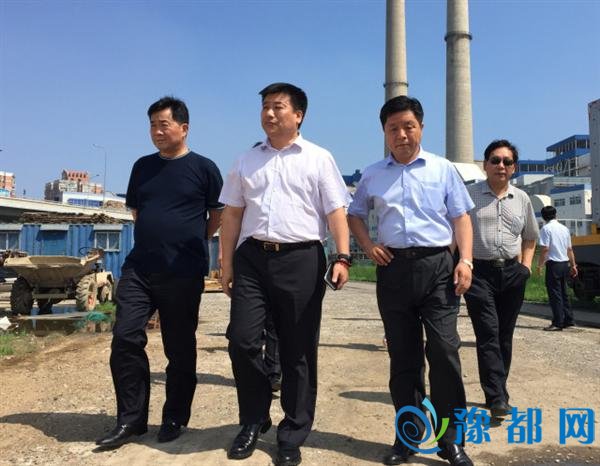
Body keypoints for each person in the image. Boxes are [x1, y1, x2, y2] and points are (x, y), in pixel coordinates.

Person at [219, 82, 350, 466]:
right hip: (252, 259)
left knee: (298, 350)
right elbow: (232, 215)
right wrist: (226, 263)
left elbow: (336, 211)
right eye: (265, 106)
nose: (269, 113)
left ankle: (292, 432)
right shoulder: (246, 160)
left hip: (301, 259)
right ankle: (254, 418)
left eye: (277, 106)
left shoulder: (319, 158)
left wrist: (342, 257)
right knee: (242, 341)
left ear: (298, 115)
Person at [348, 95, 475, 466]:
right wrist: (368, 246)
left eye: (408, 126)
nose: (401, 134)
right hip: (394, 270)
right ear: (384, 133)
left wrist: (465, 260)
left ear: (421, 127)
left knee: (444, 351)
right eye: (393, 128)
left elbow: (461, 217)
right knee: (403, 357)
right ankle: (408, 435)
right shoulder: (373, 174)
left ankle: (451, 441)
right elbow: (355, 214)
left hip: (438, 268)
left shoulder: (442, 168)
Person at [95, 97, 224, 448]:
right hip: (140, 266)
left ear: (184, 127)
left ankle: (174, 417)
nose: (157, 131)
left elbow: (216, 215)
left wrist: (193, 239)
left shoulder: (204, 168)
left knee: (178, 347)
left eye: (163, 124)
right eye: (152, 125)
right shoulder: (142, 167)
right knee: (125, 337)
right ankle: (131, 420)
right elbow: (138, 212)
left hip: (182, 270)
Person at [464, 139, 538, 419]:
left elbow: (530, 236)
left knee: (504, 335)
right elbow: (457, 231)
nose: (501, 166)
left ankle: (497, 390)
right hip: (479, 273)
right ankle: (497, 396)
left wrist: (526, 268)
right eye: (495, 160)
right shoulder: (469, 195)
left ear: (514, 168)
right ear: (485, 165)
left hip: (512, 273)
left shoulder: (522, 199)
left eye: (507, 161)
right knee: (488, 332)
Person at [538, 205, 578, 331]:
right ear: (556, 215)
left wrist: (540, 265)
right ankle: (569, 320)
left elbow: (545, 249)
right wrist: (573, 265)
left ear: (543, 217)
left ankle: (557, 322)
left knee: (555, 294)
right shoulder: (564, 229)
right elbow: (569, 249)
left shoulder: (545, 229)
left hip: (553, 264)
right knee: (564, 293)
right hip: (564, 264)